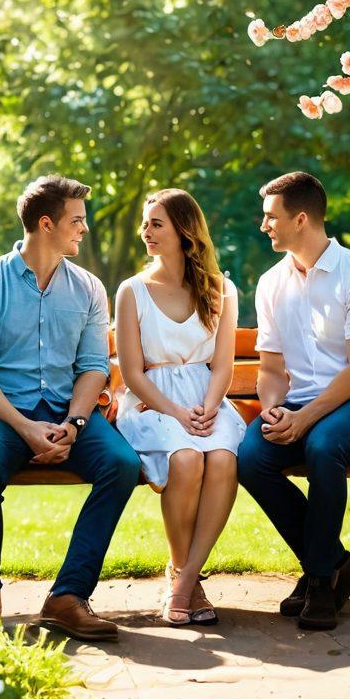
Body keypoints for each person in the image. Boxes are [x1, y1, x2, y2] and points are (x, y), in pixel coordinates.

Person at [0, 175, 142, 642]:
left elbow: (94, 366)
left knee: (122, 465)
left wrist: (76, 424)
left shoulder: (89, 289)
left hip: (67, 415)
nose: (83, 229)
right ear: (45, 224)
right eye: (76, 221)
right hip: (1, 416)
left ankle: (67, 597)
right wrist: (24, 427)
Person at [237, 172, 350, 631]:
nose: (264, 225)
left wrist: (305, 418)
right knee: (251, 457)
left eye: (271, 217)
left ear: (302, 218)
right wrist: (273, 407)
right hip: (302, 405)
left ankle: (317, 581)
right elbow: (271, 369)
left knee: (323, 445)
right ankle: (335, 565)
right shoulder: (272, 284)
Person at [115, 189, 246, 626]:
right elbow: (131, 373)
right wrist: (176, 412)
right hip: (152, 401)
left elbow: (223, 365)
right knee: (187, 460)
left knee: (224, 460)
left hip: (206, 397)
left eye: (157, 224)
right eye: (145, 223)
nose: (146, 232)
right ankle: (184, 578)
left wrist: (209, 408)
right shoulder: (132, 291)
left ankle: (185, 580)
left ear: (184, 232)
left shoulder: (220, 290)